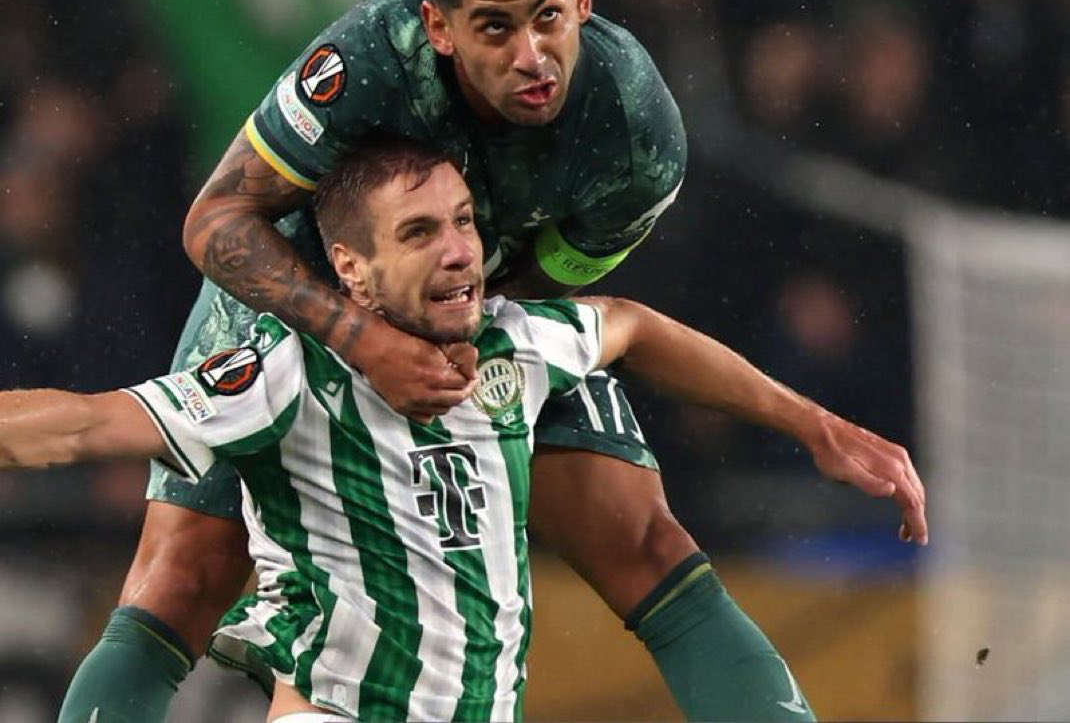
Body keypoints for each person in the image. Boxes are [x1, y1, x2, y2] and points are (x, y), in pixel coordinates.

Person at [55, 0, 891, 722]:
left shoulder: (637, 133)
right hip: (301, 289)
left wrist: (456, 341)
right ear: (440, 26)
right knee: (180, 581)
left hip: (471, 302)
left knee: (644, 540)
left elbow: (553, 281)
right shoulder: (368, 60)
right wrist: (364, 339)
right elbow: (216, 221)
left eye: (548, 16)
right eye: (494, 27)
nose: (532, 56)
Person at [9, 133, 927, 721]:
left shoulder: (517, 344)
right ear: (351, 271)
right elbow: (85, 425)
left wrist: (812, 423)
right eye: (418, 233)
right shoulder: (289, 371)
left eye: (461, 222)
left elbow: (632, 325)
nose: (458, 251)